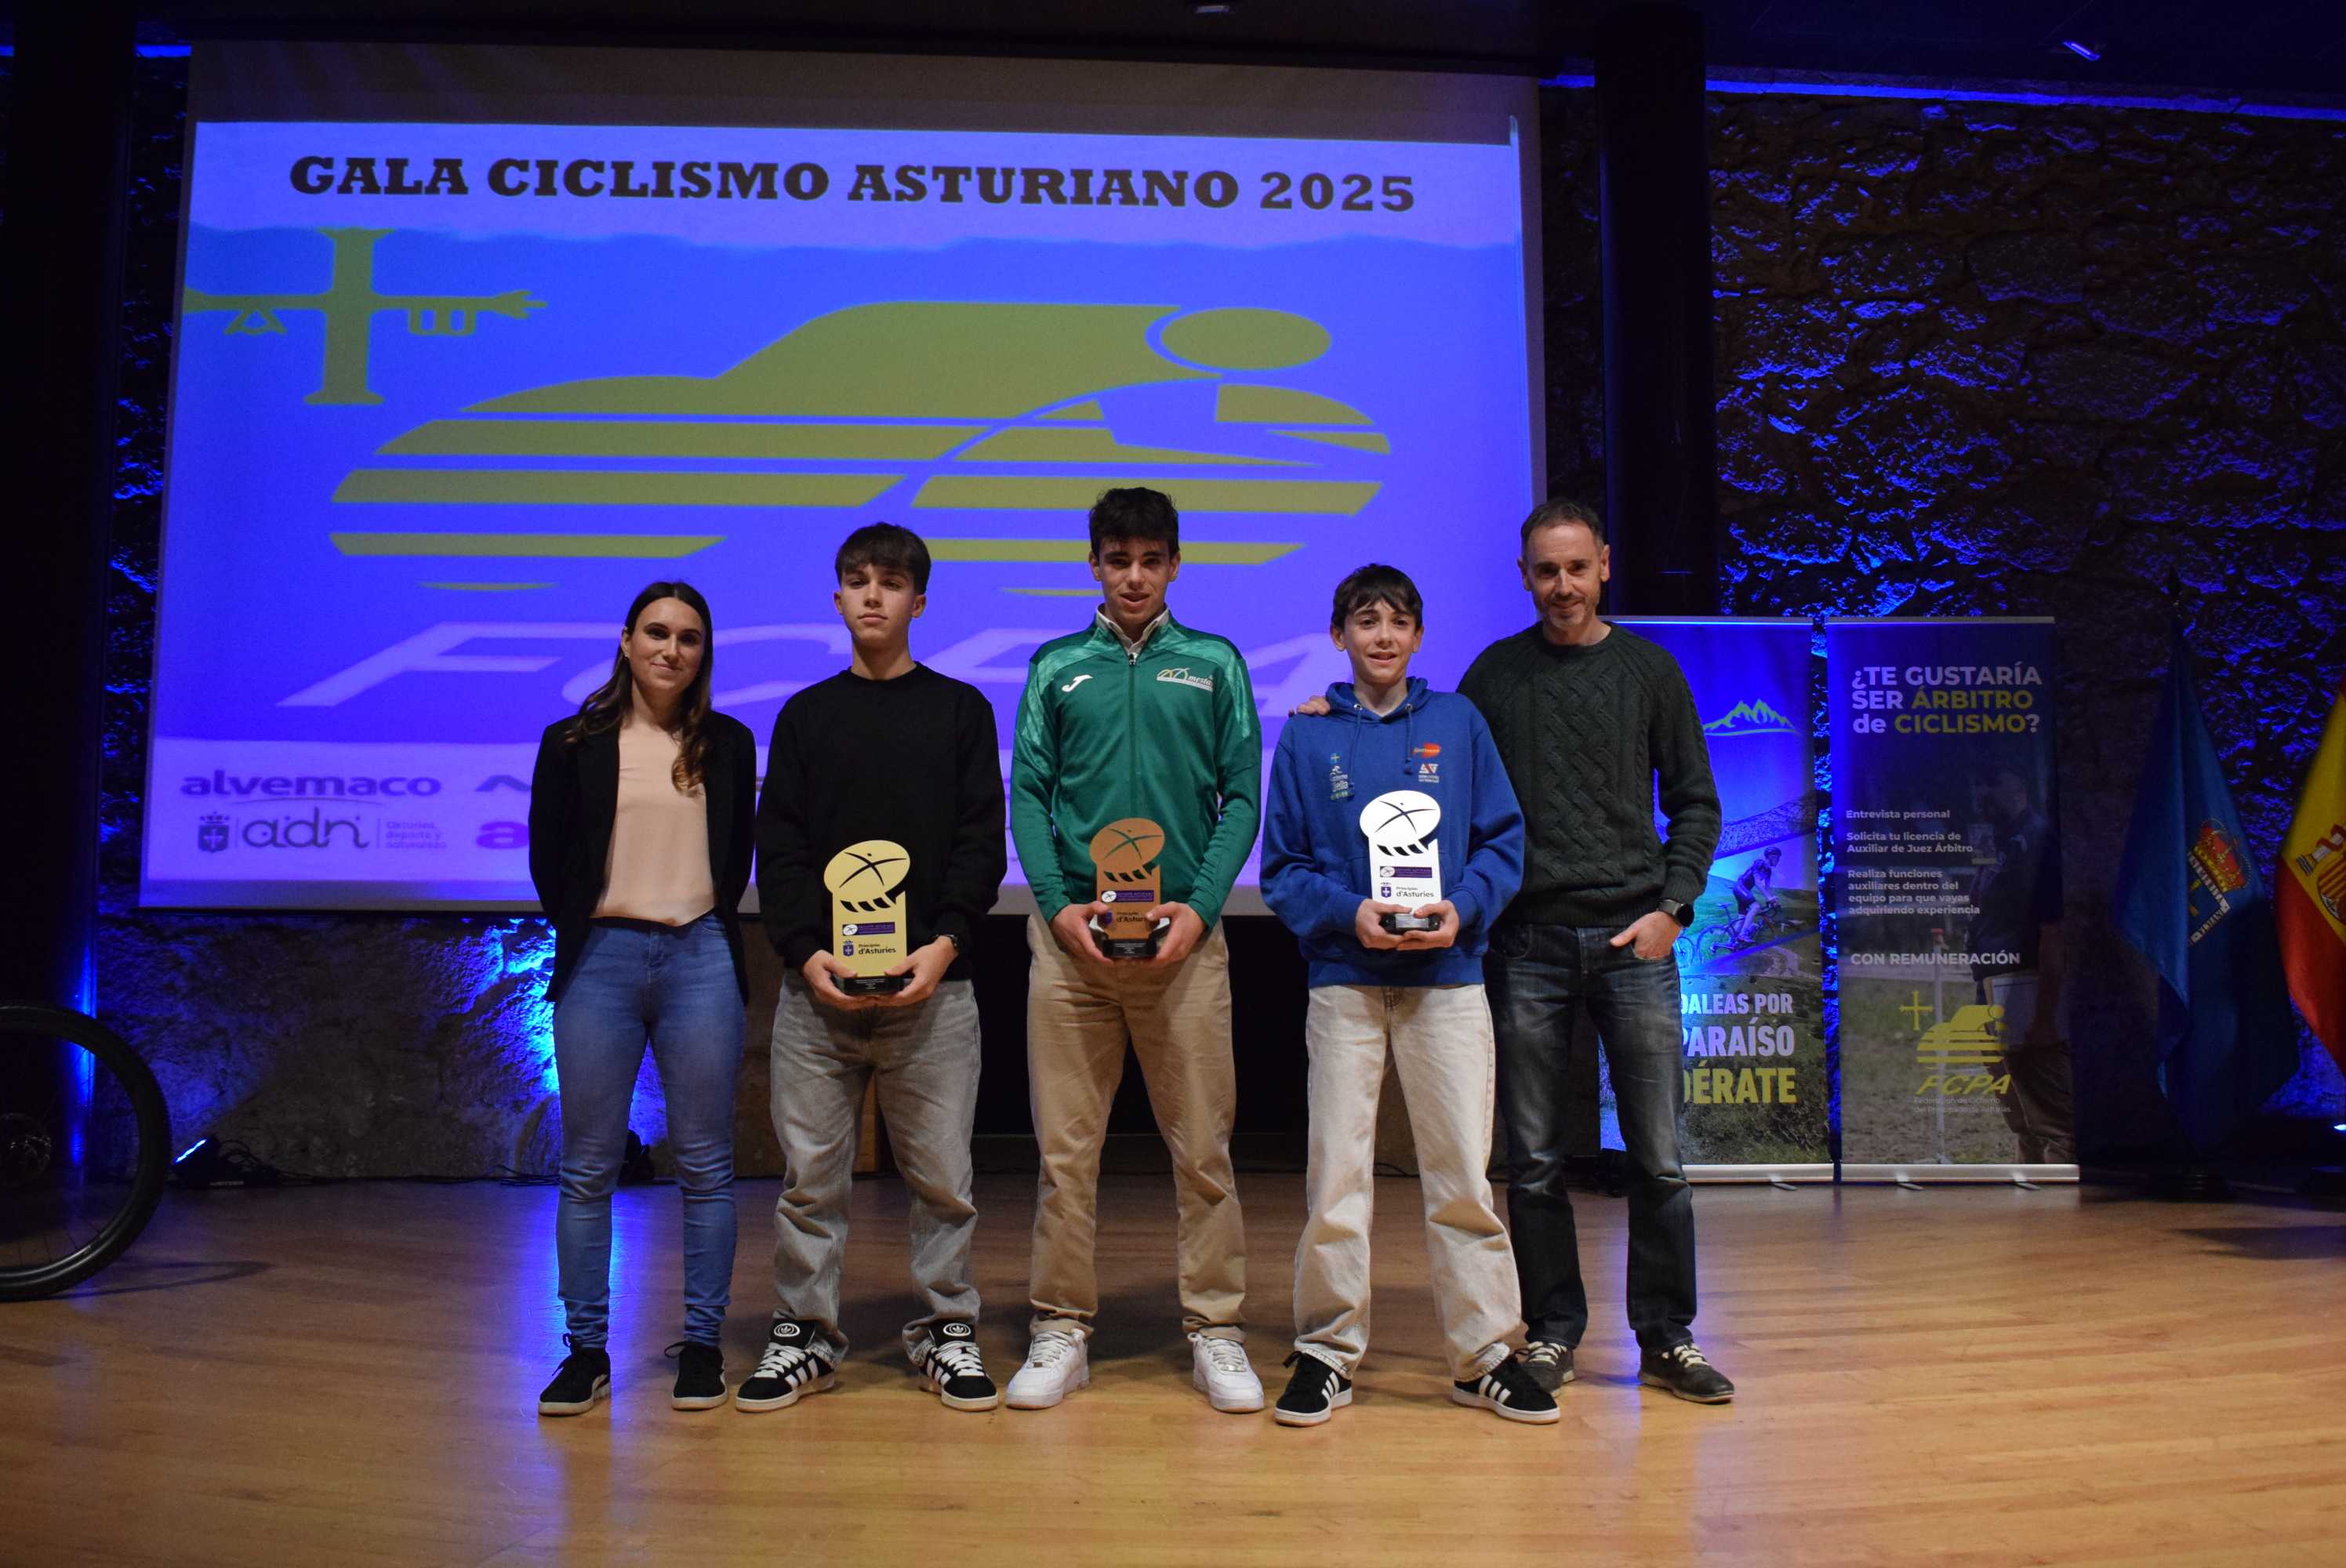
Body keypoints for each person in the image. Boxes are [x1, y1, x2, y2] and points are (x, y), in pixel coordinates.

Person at [1260, 564, 1555, 1427]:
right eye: (1364, 620)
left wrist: (1458, 910)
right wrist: (1351, 913)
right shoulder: (1310, 737)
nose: (1382, 635)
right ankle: (1325, 1348)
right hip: (1345, 983)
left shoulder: (1457, 722)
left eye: (1397, 620)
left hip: (1447, 981)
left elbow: (1502, 840)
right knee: (1337, 1179)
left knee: (1462, 1174)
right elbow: (1282, 869)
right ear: (1339, 635)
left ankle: (1483, 1353)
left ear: (1419, 635)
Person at [1459, 498, 1735, 1405]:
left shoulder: (1649, 672)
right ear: (1523, 575)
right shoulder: (1493, 677)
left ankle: (1668, 1335)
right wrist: (1336, 707)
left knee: (1657, 1156)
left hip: (1634, 941)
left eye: (1576, 568)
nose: (1562, 586)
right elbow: (1438, 778)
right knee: (1534, 1158)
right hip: (1527, 943)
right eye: (1545, 570)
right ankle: (1550, 1333)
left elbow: (1696, 800)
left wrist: (1675, 907)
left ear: (1604, 565)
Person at [738, 524, 1011, 1413]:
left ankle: (945, 1325)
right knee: (810, 1180)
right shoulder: (807, 716)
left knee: (941, 1180)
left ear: (918, 602)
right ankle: (805, 1332)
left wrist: (943, 943)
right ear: (836, 597)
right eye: (855, 581)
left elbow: (979, 840)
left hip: (935, 990)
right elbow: (777, 844)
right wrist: (802, 950)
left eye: (890, 583)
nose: (871, 596)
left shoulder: (961, 710)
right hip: (817, 995)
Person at [1005, 485, 1266, 1413]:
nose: (1134, 577)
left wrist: (1199, 908)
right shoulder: (1056, 666)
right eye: (1117, 560)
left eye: (1151, 560)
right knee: (1065, 1154)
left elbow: (1241, 797)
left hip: (1185, 946)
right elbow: (1027, 797)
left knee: (1203, 1150)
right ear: (1094, 566)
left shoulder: (1214, 663)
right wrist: (1055, 905)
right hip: (1069, 945)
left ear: (1175, 566)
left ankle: (1217, 1329)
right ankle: (1061, 1328)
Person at [526, 581, 757, 1417]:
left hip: (699, 954)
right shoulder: (572, 740)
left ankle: (701, 1344)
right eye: (656, 632)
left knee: (706, 1167)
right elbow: (550, 862)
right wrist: (600, 927)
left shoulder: (729, 743)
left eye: (689, 637)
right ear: (625, 640)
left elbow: (733, 864)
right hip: (603, 959)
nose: (671, 649)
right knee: (587, 1167)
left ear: (703, 652)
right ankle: (585, 1351)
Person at [1967, 762, 2072, 1164]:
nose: (1983, 794)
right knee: (2009, 1088)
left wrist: (2045, 1014)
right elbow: (1984, 902)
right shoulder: (2000, 839)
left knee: (2046, 1094)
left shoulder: (2039, 840)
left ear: (2020, 786)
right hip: (1992, 977)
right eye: (1980, 785)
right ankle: (2028, 1168)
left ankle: (2061, 1188)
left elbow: (2053, 930)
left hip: (2024, 982)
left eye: (1993, 781)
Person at [1731, 846, 1783, 946]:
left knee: (1742, 919)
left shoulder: (1769, 872)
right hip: (1740, 887)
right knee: (1756, 907)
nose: (1779, 860)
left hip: (1744, 891)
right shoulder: (1759, 863)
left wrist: (1773, 901)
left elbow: (1768, 888)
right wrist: (1768, 898)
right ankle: (1743, 935)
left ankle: (1730, 943)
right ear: (1772, 857)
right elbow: (1758, 882)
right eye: (1778, 857)